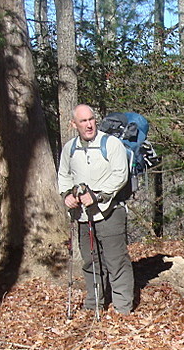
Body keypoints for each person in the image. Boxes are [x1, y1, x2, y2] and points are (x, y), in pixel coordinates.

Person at [58, 104, 135, 315]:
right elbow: (64, 175)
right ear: (74, 124)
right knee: (90, 260)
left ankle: (122, 307)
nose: (89, 124)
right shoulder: (69, 148)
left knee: (115, 259)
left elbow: (120, 174)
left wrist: (98, 195)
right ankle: (94, 303)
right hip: (83, 214)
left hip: (110, 211)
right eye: (83, 121)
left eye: (91, 119)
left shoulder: (111, 144)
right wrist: (67, 196)